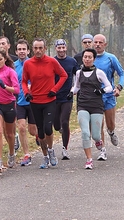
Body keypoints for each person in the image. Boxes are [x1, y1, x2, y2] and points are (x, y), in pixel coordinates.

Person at [22, 38, 67, 169]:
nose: (38, 51)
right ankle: (45, 156)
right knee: (40, 132)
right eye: (35, 48)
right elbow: (24, 81)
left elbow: (63, 75)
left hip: (49, 100)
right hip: (35, 101)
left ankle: (51, 150)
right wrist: (26, 92)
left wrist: (55, 89)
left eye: (40, 48)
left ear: (45, 49)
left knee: (48, 128)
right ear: (32, 49)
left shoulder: (52, 61)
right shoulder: (28, 64)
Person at [68, 48, 113, 169]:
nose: (87, 59)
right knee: (85, 133)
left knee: (96, 135)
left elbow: (109, 86)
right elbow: (76, 87)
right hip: (83, 105)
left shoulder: (99, 73)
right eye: (85, 57)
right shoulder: (78, 73)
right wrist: (71, 92)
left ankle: (99, 144)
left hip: (96, 106)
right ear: (82, 58)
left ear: (94, 59)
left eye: (90, 57)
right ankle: (89, 159)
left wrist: (101, 90)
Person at [93, 34, 124, 161]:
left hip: (109, 95)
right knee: (98, 125)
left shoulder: (111, 58)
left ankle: (111, 132)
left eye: (100, 42)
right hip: (95, 97)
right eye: (95, 42)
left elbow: (122, 74)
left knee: (110, 124)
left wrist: (119, 87)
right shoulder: (89, 58)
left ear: (105, 44)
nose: (97, 45)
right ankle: (102, 150)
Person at [53, 39, 79, 160]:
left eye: (63, 47)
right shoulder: (52, 61)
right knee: (57, 125)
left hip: (67, 97)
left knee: (65, 121)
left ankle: (65, 149)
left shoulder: (72, 61)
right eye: (59, 48)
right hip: (53, 97)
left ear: (66, 48)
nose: (61, 50)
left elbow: (78, 76)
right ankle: (60, 130)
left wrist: (73, 90)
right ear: (55, 49)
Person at [14, 39, 38, 166]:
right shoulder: (13, 66)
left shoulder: (34, 63)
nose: (22, 52)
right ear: (16, 52)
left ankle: (38, 136)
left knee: (32, 130)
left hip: (33, 101)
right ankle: (26, 154)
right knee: (21, 127)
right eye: (19, 49)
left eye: (24, 49)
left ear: (28, 51)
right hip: (20, 101)